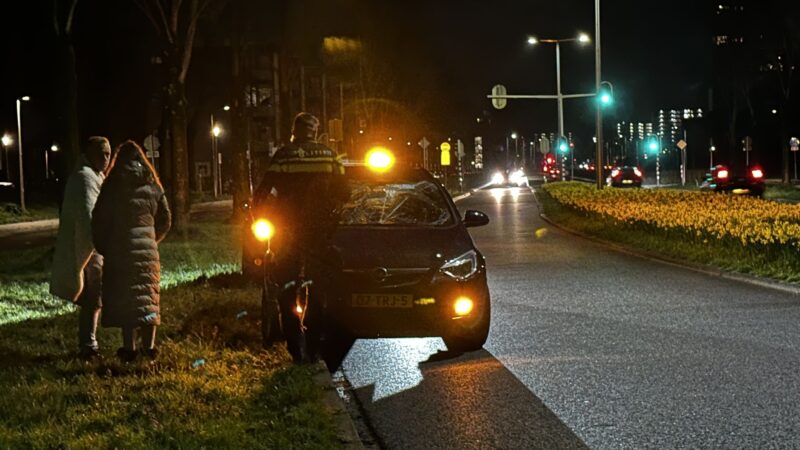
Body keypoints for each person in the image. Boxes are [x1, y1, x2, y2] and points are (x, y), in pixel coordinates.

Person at [253, 112, 348, 363]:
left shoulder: (284, 155)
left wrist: (258, 220)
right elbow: (346, 193)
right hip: (318, 233)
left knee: (286, 287)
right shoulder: (329, 156)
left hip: (287, 231)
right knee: (316, 289)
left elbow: (263, 192)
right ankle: (314, 346)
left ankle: (296, 348)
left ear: (294, 131)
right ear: (316, 132)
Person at [92, 140, 171, 362]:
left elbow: (97, 220)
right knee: (148, 298)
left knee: (128, 299)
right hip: (148, 253)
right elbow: (166, 218)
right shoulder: (152, 185)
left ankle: (129, 349)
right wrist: (152, 240)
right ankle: (150, 348)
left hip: (120, 252)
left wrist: (105, 246)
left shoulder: (111, 186)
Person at [50, 136, 112, 359]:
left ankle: (89, 341)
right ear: (90, 153)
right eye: (102, 153)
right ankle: (88, 344)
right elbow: (87, 216)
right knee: (93, 297)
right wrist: (99, 241)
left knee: (95, 297)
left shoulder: (96, 176)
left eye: (108, 153)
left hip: (96, 245)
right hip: (91, 248)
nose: (106, 158)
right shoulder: (84, 178)